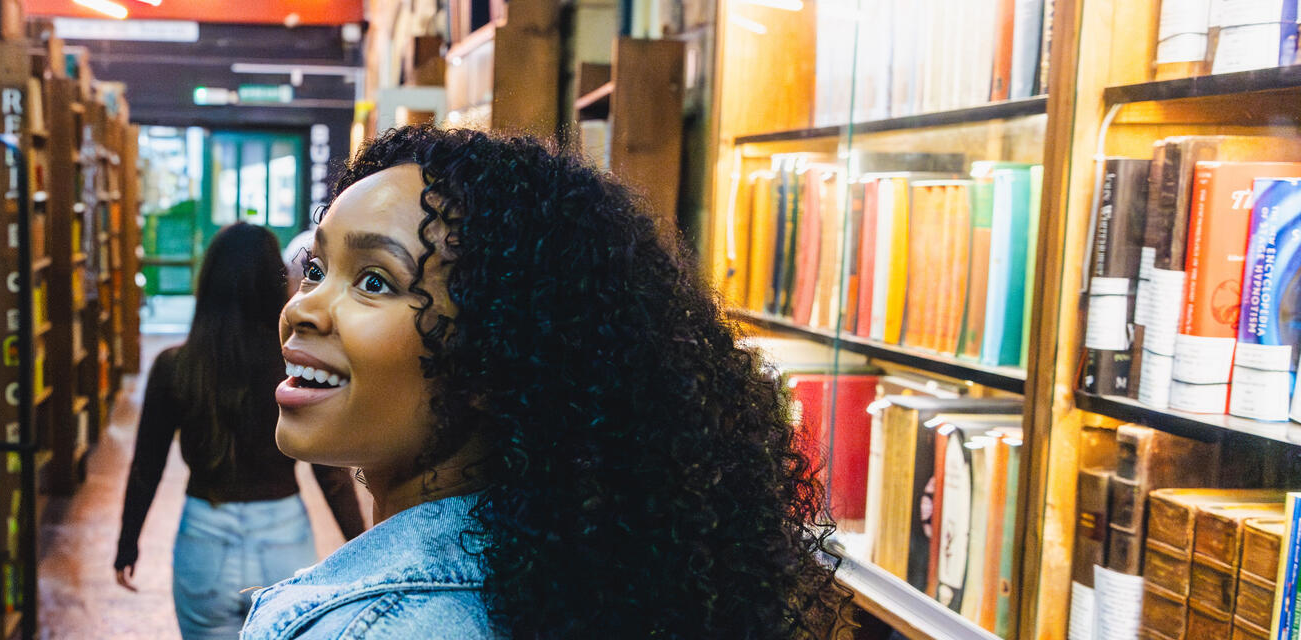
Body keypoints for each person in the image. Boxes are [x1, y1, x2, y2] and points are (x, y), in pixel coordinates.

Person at [244, 126, 847, 638]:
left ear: (491, 355)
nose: (303, 307)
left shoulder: (377, 626)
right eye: (316, 269)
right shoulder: (571, 581)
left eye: (375, 281)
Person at [115, 222, 366, 640]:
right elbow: (331, 474)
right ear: (274, 283)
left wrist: (128, 543)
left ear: (209, 283)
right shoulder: (296, 367)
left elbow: (147, 467)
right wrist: (360, 551)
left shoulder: (175, 367)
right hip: (284, 540)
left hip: (203, 541)